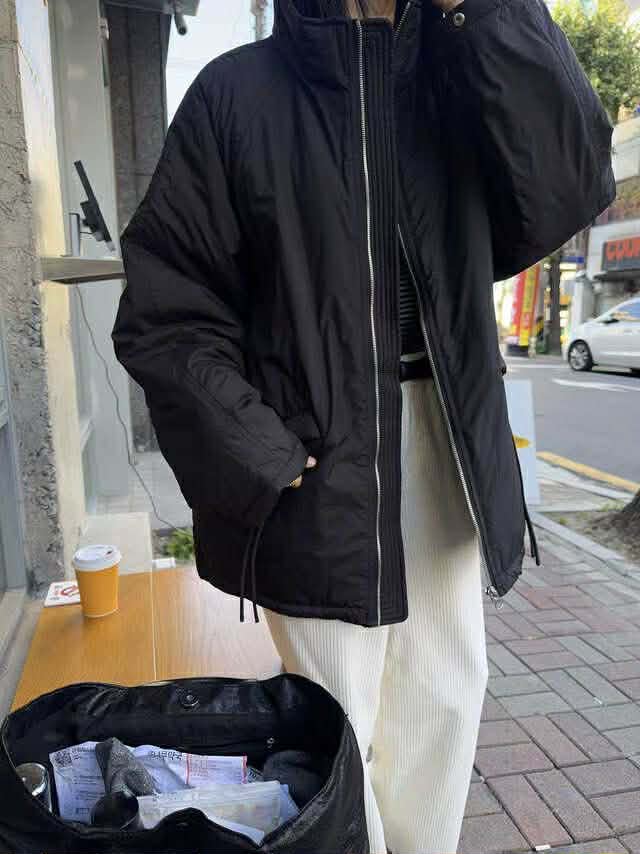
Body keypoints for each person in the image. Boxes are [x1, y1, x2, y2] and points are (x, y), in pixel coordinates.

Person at [112, 0, 615, 850]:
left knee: (443, 702)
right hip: (314, 454)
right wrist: (259, 449)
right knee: (335, 721)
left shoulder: (463, 78)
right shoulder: (237, 95)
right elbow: (167, 312)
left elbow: (570, 179)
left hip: (448, 434)